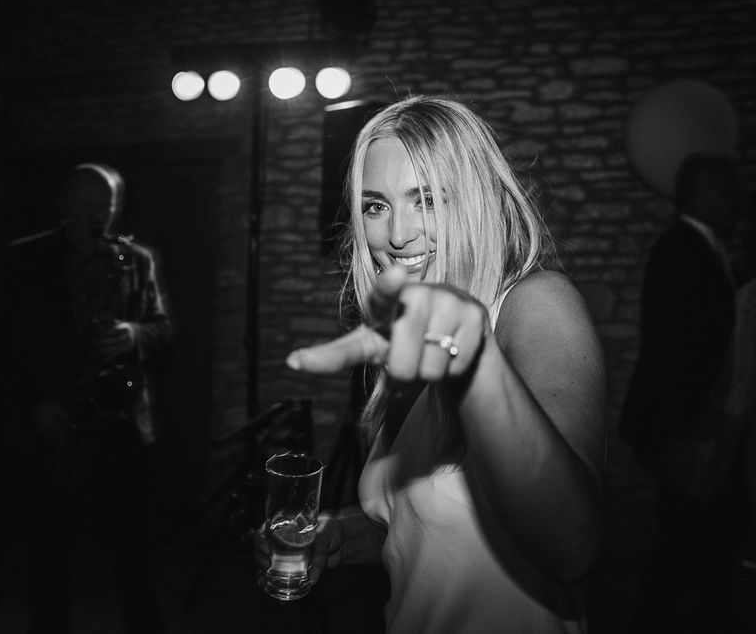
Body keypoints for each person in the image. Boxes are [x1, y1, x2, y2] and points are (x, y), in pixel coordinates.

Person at [256, 95, 607, 633]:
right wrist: (340, 536)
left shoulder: (533, 305)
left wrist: (472, 363)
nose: (397, 235)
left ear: (477, 202)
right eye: (376, 206)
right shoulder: (414, 346)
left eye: (426, 199)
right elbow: (423, 527)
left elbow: (572, 546)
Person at [0, 163, 173, 634]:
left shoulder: (136, 259)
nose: (97, 217)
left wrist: (134, 334)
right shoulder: (22, 259)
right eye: (86, 205)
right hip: (51, 424)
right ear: (62, 203)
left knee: (134, 556)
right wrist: (33, 404)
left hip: (119, 420)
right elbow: (1, 347)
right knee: (47, 558)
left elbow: (163, 331)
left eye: (107, 207)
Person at [619, 152, 749, 633]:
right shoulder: (680, 251)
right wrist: (686, 438)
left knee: (694, 550)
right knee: (683, 550)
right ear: (706, 193)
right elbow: (674, 352)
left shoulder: (704, 250)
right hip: (688, 434)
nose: (739, 202)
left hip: (698, 431)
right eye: (731, 190)